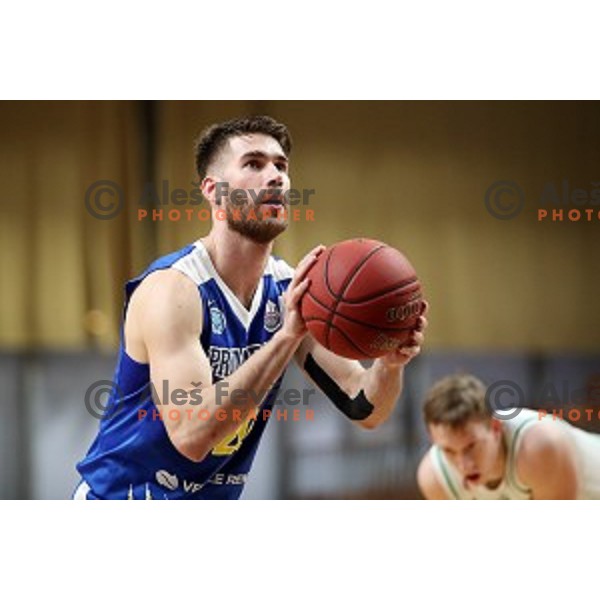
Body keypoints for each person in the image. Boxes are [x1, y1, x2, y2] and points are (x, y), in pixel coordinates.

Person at [74, 115, 427, 499]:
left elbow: (365, 408)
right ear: (213, 189)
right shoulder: (174, 289)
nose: (275, 176)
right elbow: (192, 435)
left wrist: (390, 365)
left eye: (281, 165)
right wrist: (288, 335)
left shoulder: (290, 290)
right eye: (254, 164)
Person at [417, 373, 600, 499]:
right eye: (449, 450)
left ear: (496, 427)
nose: (464, 464)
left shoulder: (540, 446)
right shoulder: (435, 479)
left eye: (471, 446)